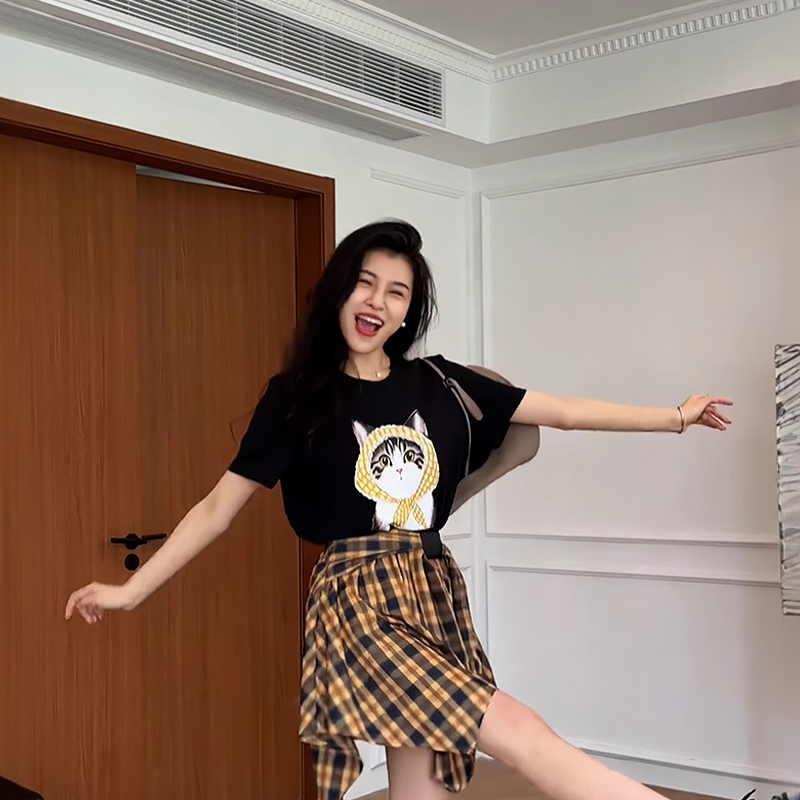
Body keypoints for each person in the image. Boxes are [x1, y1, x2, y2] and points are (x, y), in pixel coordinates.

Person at [65, 220, 794, 800]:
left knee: (419, 787)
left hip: (431, 588)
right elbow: (216, 509)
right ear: (338, 291)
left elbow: (562, 411)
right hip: (356, 603)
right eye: (364, 283)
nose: (376, 302)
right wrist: (131, 590)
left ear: (409, 311)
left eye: (397, 292)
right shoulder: (296, 398)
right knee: (519, 731)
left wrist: (674, 417)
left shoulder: (441, 384)